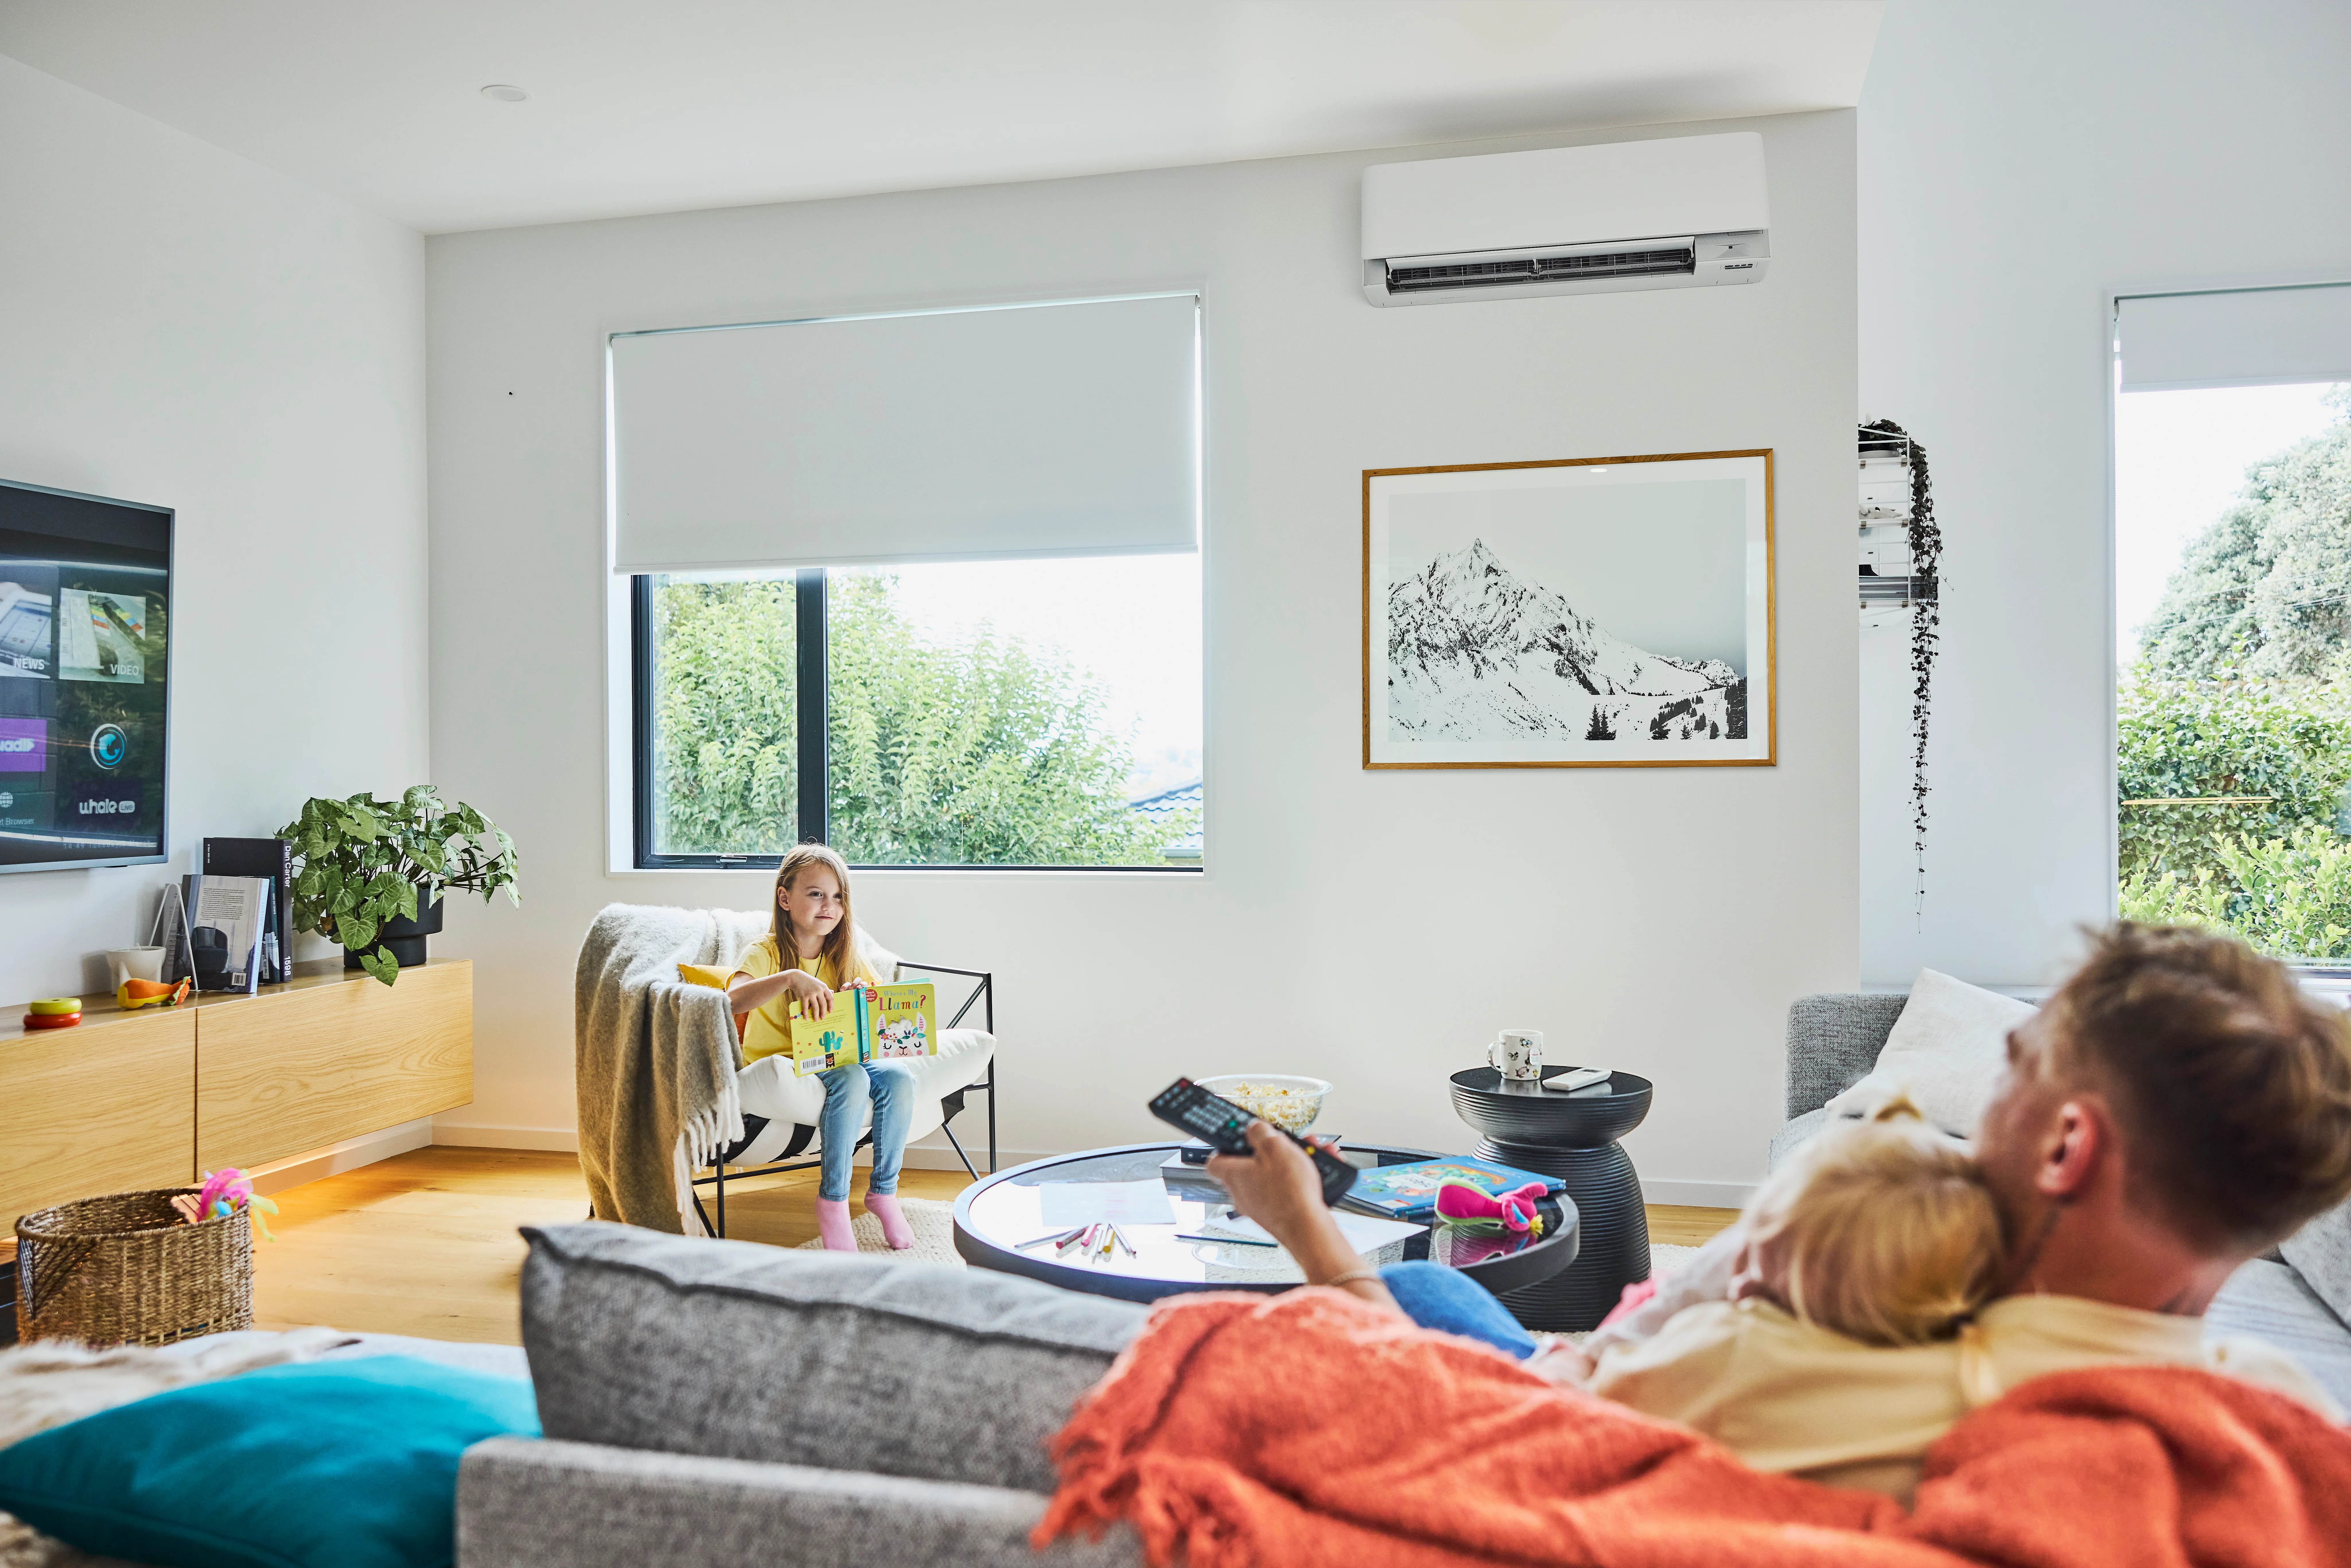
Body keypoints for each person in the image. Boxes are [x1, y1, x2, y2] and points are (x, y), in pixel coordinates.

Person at [1211, 922, 2351, 1498]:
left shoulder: (1801, 1365)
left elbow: (1504, 1422)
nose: (1976, 1095)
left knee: (1411, 1285)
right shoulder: (2272, 1413)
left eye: (2010, 1063)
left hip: (1562, 1400)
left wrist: (1304, 1226)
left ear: (2065, 1145)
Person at [725, 844, 916, 1253]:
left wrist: (861, 997)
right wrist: (792, 978)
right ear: (785, 898)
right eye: (816, 894)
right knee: (849, 1079)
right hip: (783, 1058)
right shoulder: (766, 952)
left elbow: (875, 1008)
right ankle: (832, 1202)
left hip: (837, 1052)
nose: (829, 906)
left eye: (838, 897)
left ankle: (883, 1193)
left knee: (899, 1078)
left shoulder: (845, 953)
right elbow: (730, 1002)